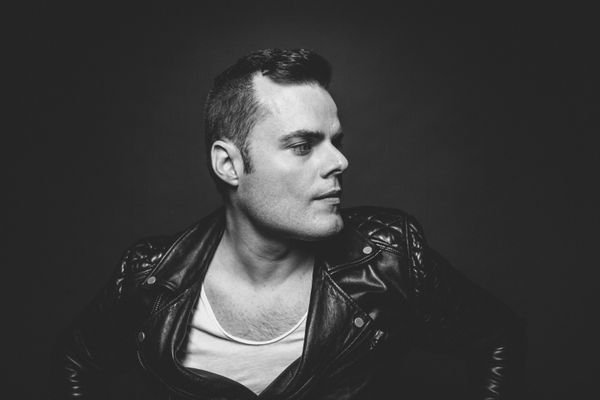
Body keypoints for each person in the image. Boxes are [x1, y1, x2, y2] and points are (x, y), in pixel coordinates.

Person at [52, 48, 526, 399]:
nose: (338, 161)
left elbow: (498, 337)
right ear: (229, 164)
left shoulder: (388, 257)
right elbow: (75, 360)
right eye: (302, 146)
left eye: (336, 141)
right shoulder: (151, 276)